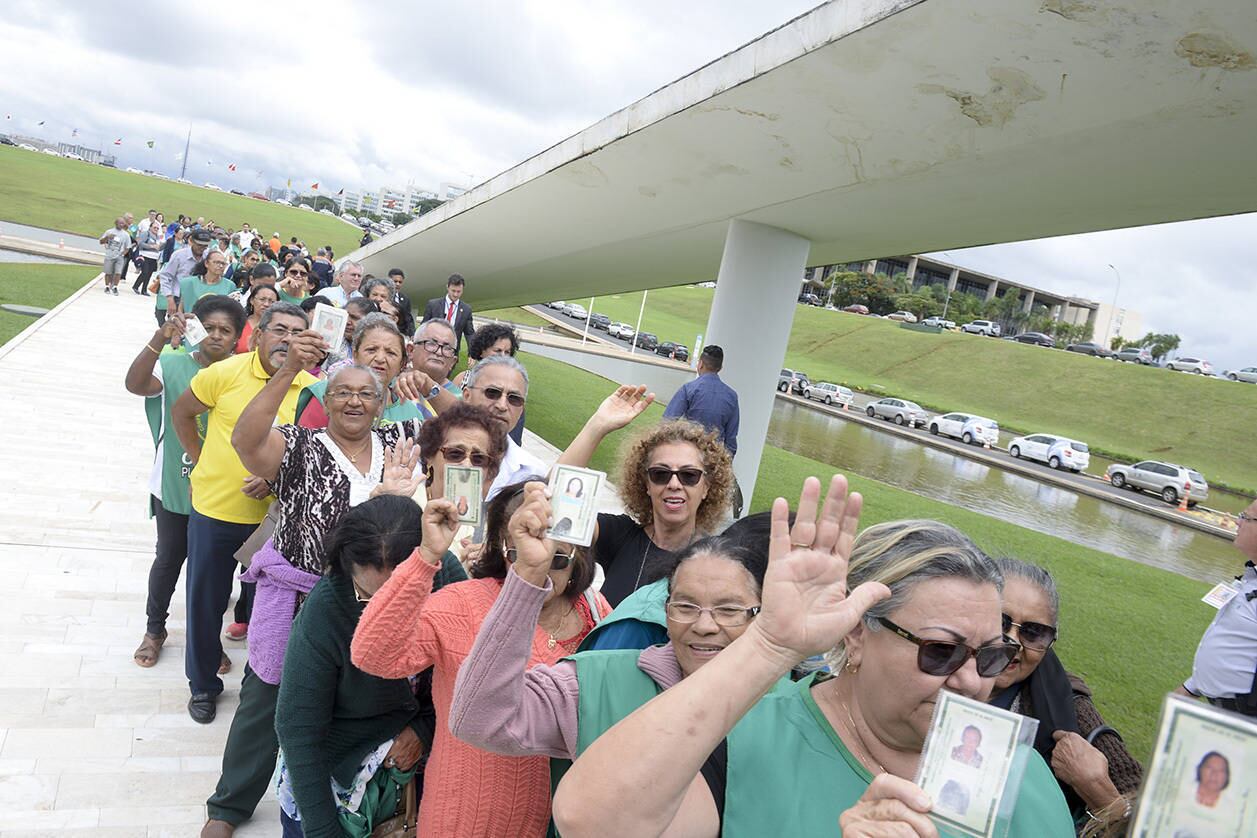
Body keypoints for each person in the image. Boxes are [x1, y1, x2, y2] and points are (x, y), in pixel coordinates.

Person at [549, 482, 1074, 837]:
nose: (970, 683)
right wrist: (770, 646)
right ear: (857, 635)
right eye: (941, 651)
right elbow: (588, 820)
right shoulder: (746, 739)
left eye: (989, 657)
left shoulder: (1017, 773)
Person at [199, 336, 439, 837]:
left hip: (379, 602)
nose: (354, 401)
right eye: (342, 392)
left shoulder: (402, 437)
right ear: (325, 401)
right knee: (266, 699)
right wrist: (287, 371)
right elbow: (245, 441)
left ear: (381, 401)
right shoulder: (299, 444)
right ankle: (229, 805)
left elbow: (477, 434)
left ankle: (340, 793)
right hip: (301, 595)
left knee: (361, 698)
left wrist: (437, 388)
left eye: (366, 394)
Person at [449, 489, 772, 834]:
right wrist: (527, 576)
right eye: (686, 606)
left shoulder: (792, 709)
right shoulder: (597, 680)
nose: (705, 626)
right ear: (665, 611)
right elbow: (478, 720)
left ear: (762, 615)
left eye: (728, 609)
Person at [351, 478, 608, 838]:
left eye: (558, 557)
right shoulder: (464, 604)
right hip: (466, 823)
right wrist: (425, 558)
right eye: (518, 551)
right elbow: (374, 654)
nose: (541, 567)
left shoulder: (598, 615)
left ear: (581, 553)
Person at [274, 495, 465, 838]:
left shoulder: (446, 575)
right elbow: (298, 730)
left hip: (411, 780)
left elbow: (466, 681)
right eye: (369, 598)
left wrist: (423, 729)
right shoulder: (325, 612)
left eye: (404, 596)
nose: (385, 616)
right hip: (330, 778)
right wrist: (323, 831)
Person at [170, 302, 318, 726]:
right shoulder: (225, 373)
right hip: (216, 511)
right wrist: (200, 458)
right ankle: (202, 685)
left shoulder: (311, 389)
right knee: (205, 600)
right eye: (279, 330)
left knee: (268, 610)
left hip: (275, 520)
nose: (287, 340)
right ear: (258, 336)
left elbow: (310, 454)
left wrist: (274, 482)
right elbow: (182, 413)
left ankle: (262, 684)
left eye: (297, 332)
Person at [126, 298, 244, 669]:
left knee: (211, 572)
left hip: (222, 491)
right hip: (174, 484)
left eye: (226, 331)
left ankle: (206, 642)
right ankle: (154, 629)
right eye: (209, 327)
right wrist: (159, 339)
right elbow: (136, 383)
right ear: (194, 329)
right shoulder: (174, 364)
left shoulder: (241, 374)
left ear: (237, 338)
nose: (216, 336)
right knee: (169, 558)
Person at [990, 557, 1141, 833]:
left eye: (1033, 633)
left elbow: (1142, 809)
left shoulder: (1071, 707)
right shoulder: (930, 678)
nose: (1012, 641)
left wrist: (1098, 791)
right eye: (1000, 621)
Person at [558, 392, 734, 606]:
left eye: (689, 475)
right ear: (646, 484)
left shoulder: (717, 558)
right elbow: (556, 508)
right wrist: (597, 427)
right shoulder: (620, 536)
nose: (674, 484)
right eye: (660, 474)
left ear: (706, 487)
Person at [296, 313, 438, 429]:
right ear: (355, 354)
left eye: (391, 353)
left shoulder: (411, 412)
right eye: (371, 350)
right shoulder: (325, 393)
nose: (381, 358)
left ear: (402, 362)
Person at [1183, 497, 1257, 715]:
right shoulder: (1250, 577)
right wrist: (1193, 685)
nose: (1237, 522)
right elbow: (1239, 642)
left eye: (1245, 517)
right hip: (1223, 712)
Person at [461, 355, 546, 499]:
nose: (502, 405)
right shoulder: (429, 453)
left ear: (521, 410)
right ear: (467, 396)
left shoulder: (534, 472)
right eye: (492, 393)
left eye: (514, 398)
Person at [663, 345, 739, 458]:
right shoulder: (732, 396)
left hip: (689, 455)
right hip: (714, 459)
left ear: (700, 364)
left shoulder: (689, 389)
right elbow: (731, 439)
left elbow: (667, 421)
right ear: (720, 367)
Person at [160, 228, 213, 329]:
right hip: (178, 298)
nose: (202, 248)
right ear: (191, 241)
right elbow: (166, 276)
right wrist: (170, 299)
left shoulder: (208, 256)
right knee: (175, 328)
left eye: (205, 246)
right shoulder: (179, 255)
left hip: (198, 298)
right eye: (199, 245)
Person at [408, 319, 463, 405]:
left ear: (453, 362)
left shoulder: (460, 403)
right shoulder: (391, 385)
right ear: (411, 350)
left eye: (447, 348)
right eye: (431, 343)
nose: (439, 352)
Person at [422, 274, 474, 355]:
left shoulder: (466, 309)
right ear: (447, 287)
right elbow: (424, 326)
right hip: (431, 348)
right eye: (453, 291)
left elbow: (469, 333)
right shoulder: (433, 304)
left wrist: (472, 352)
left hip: (451, 351)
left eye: (459, 291)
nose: (456, 294)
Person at [179, 250, 238, 321]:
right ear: (206, 263)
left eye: (223, 263)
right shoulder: (188, 283)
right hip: (191, 325)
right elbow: (181, 307)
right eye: (217, 262)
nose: (220, 266)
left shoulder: (230, 286)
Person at [237, 285, 278, 355]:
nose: (266, 304)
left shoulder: (279, 328)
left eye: (272, 301)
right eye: (262, 299)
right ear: (252, 300)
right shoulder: (238, 324)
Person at [99, 216, 132, 296]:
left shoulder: (126, 235)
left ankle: (115, 287)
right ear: (116, 223)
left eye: (123, 223)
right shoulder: (109, 232)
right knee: (108, 272)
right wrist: (107, 238)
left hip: (119, 257)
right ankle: (107, 286)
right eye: (120, 223)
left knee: (118, 272)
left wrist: (123, 253)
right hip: (109, 255)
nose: (121, 225)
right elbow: (101, 241)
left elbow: (128, 247)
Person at [132, 216, 163, 296]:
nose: (156, 229)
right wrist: (151, 246)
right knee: (145, 272)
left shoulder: (157, 237)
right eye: (154, 227)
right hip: (145, 256)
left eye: (157, 228)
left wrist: (160, 247)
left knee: (149, 274)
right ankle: (136, 286)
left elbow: (159, 247)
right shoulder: (146, 234)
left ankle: (144, 290)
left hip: (154, 257)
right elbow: (140, 243)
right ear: (150, 227)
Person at [387, 268, 415, 337]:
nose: (397, 284)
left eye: (400, 282)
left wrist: (412, 334)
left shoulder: (405, 299)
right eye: (395, 281)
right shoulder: (383, 297)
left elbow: (409, 319)